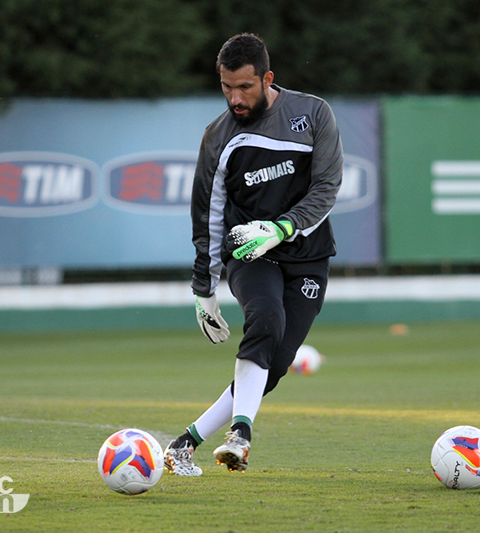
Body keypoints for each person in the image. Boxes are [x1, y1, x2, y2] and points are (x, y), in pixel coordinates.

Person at [163, 33, 343, 476]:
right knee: (265, 318)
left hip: (306, 255)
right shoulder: (218, 137)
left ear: (268, 78)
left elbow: (326, 189)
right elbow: (207, 217)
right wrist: (204, 291)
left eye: (245, 87)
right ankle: (240, 435)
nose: (235, 98)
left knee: (275, 363)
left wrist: (280, 228)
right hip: (248, 253)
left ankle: (184, 443)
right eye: (226, 87)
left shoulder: (314, 114)